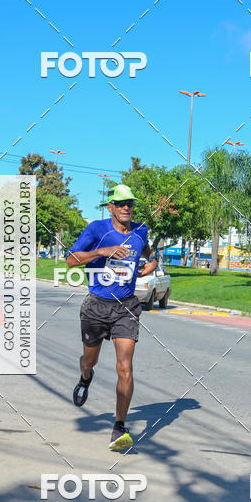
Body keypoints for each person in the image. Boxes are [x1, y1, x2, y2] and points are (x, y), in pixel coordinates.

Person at [66, 184, 158, 451]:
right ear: (111, 207)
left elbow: (148, 252)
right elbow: (71, 260)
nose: (126, 207)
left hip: (126, 307)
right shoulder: (97, 229)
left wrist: (152, 263)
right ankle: (85, 377)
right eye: (120, 203)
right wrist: (101, 252)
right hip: (96, 306)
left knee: (125, 367)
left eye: (130, 203)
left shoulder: (140, 231)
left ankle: (119, 426)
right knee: (89, 360)